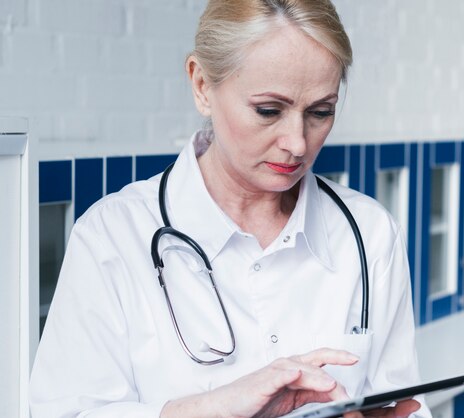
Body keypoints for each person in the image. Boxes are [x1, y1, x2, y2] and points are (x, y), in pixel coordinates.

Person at [30, 1, 431, 417]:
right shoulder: (111, 236)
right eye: (269, 110)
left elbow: (406, 403)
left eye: (320, 112)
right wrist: (216, 408)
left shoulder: (369, 233)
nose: (297, 143)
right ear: (202, 84)